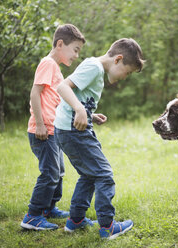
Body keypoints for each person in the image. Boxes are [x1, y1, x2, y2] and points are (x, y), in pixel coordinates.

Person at [54, 38, 145, 239]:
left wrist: (89, 114)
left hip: (68, 130)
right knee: (104, 174)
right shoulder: (94, 67)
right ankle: (107, 227)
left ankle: (75, 220)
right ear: (118, 59)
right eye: (127, 72)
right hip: (74, 132)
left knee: (89, 174)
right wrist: (79, 109)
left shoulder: (96, 69)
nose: (124, 77)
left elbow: (77, 95)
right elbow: (62, 87)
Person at [21, 24, 86, 230]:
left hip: (53, 131)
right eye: (75, 49)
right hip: (42, 131)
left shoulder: (55, 69)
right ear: (60, 44)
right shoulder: (48, 63)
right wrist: (39, 124)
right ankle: (33, 215)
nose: (76, 55)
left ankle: (49, 208)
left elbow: (59, 100)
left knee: (58, 171)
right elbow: (34, 93)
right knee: (49, 173)